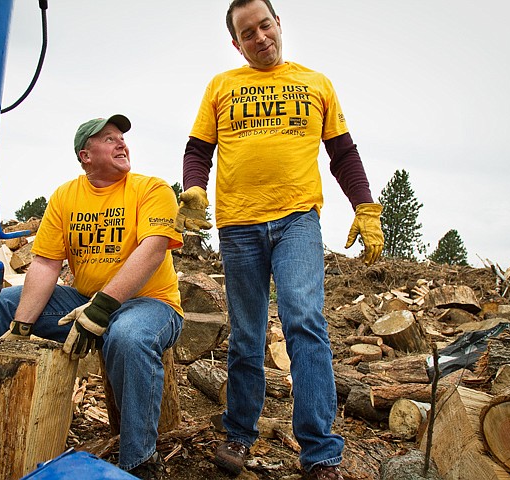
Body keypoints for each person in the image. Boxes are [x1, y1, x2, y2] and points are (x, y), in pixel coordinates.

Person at [177, 1, 384, 479]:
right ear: (236, 43)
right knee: (247, 334)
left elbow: (343, 153)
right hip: (238, 226)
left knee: (304, 321)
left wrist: (365, 206)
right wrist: (192, 187)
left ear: (278, 25)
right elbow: (197, 149)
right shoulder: (222, 86)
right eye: (247, 33)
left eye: (264, 25)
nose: (259, 37)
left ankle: (320, 452)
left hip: (297, 220)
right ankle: (240, 432)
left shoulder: (316, 84)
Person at [0, 114, 183, 480]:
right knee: (7, 303)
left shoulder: (152, 188)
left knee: (129, 336)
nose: (121, 143)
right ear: (85, 155)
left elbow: (153, 249)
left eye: (122, 137)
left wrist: (101, 310)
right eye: (109, 138)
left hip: (152, 306)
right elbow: (45, 264)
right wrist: (22, 326)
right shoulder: (65, 196)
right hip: (84, 301)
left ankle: (139, 462)